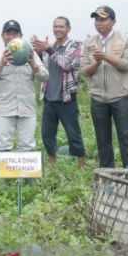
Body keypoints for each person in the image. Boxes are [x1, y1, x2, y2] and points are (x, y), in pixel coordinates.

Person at [0, 20, 48, 183]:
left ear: (21, 36)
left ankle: (29, 181)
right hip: (4, 108)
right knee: (3, 144)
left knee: (27, 144)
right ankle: (6, 182)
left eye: (15, 33)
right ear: (3, 37)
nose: (11, 36)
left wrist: (33, 62)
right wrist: (1, 64)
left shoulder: (30, 53)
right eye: (8, 34)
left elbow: (44, 77)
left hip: (26, 108)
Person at [80, 6, 128, 169]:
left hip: (120, 97)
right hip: (98, 98)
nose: (99, 23)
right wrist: (96, 62)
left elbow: (127, 65)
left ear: (113, 21)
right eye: (96, 20)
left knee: (126, 136)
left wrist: (105, 56)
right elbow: (84, 71)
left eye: (103, 19)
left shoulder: (125, 39)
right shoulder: (89, 42)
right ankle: (107, 175)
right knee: (102, 138)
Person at [31, 17, 86, 169]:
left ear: (68, 29)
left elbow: (67, 64)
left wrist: (48, 49)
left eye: (61, 27)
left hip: (66, 98)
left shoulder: (75, 46)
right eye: (55, 26)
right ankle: (52, 162)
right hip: (49, 98)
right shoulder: (51, 47)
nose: (58, 29)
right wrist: (39, 53)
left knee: (73, 134)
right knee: (47, 134)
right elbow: (45, 66)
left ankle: (82, 164)